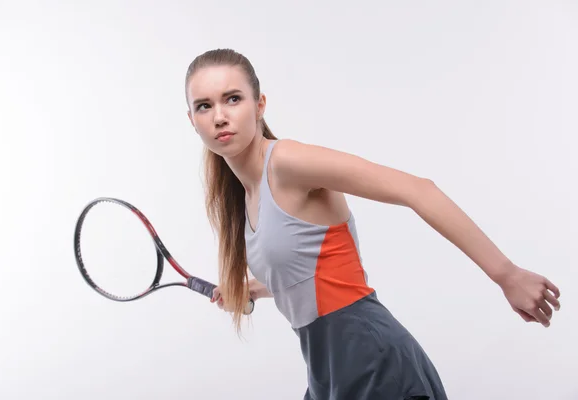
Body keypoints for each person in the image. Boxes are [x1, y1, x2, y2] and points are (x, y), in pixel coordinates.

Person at [184, 48, 561, 400]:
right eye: (204, 106)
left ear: (259, 105)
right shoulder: (247, 196)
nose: (219, 115)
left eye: (233, 99)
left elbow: (418, 190)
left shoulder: (286, 162)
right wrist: (260, 288)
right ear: (192, 120)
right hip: (329, 367)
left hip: (371, 358)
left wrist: (506, 274)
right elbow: (319, 265)